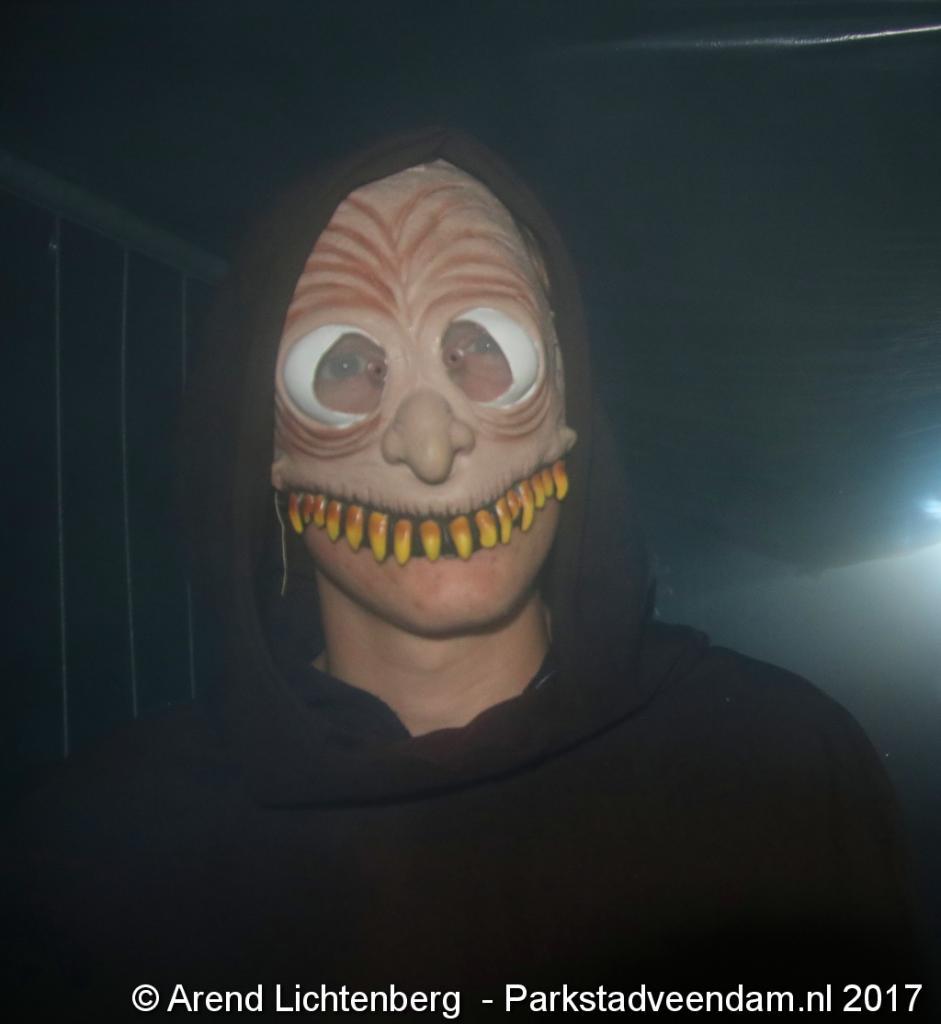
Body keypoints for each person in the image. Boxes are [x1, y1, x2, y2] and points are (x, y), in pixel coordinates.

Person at [3, 128, 930, 1017]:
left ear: (566, 393)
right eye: (344, 364)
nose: (430, 446)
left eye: (483, 344)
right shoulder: (99, 849)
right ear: (266, 446)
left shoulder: (777, 771)